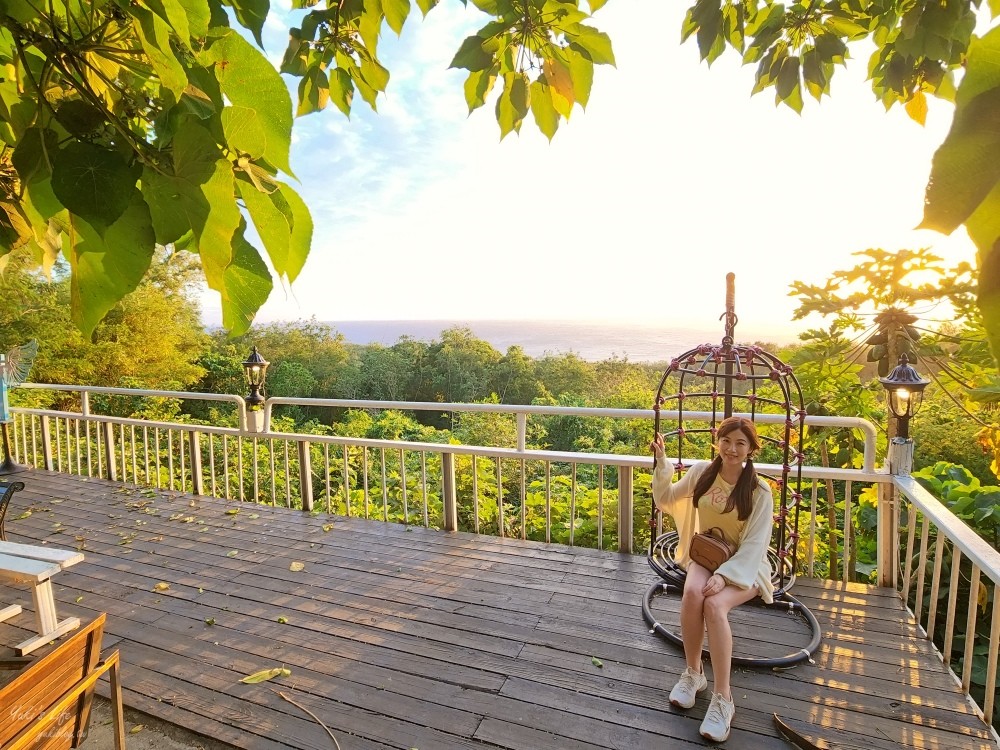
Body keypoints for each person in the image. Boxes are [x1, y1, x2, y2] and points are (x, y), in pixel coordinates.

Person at [650, 416, 774, 743]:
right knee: (692, 594)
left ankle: (724, 699)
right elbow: (666, 499)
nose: (732, 449)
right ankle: (693, 674)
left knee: (715, 606)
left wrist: (724, 576)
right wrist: (662, 463)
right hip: (707, 554)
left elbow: (754, 545)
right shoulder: (702, 473)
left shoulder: (759, 491)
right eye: (726, 441)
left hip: (745, 565)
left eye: (740, 443)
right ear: (717, 442)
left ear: (751, 449)